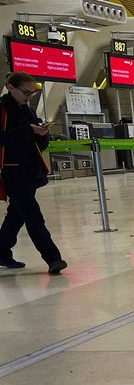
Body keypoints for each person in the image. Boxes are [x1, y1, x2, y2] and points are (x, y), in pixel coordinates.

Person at [0, 72, 66, 274]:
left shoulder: (27, 110)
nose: (29, 96)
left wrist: (42, 133)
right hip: (11, 172)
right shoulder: (2, 109)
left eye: (32, 93)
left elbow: (38, 142)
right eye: (26, 92)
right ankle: (53, 258)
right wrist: (28, 131)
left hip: (30, 170)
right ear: (11, 87)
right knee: (32, 215)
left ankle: (1, 251)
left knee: (16, 216)